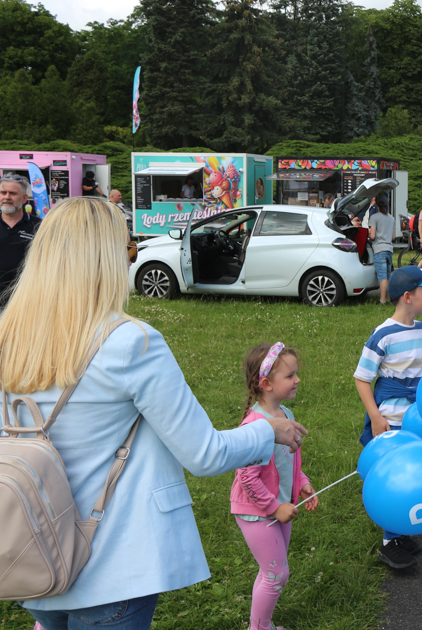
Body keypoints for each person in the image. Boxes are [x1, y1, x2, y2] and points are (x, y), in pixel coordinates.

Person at [1, 197, 306, 630]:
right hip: (111, 566)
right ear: (106, 260)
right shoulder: (131, 342)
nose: (132, 259)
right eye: (129, 249)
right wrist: (269, 431)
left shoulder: (9, 338)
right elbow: (204, 454)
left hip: (32, 557)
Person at [354, 265, 422, 569]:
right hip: (391, 418)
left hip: (418, 418)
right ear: (407, 296)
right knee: (395, 476)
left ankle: (400, 532)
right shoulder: (383, 335)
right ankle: (389, 542)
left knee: (413, 472)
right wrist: (376, 417)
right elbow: (362, 378)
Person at [231, 342, 318, 630]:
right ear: (266, 384)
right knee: (276, 574)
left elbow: (290, 461)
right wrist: (274, 507)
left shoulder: (286, 416)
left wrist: (302, 483)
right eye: (290, 375)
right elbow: (246, 476)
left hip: (281, 507)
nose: (298, 380)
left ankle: (260, 626)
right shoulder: (254, 426)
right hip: (256, 511)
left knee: (271, 570)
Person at [0, 175, 40, 307]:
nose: (6, 197)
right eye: (3, 193)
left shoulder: (40, 226)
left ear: (24, 199)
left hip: (26, 302)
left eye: (12, 193)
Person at [368, 194, 395, 304]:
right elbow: (393, 237)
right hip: (389, 249)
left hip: (379, 249)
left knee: (382, 276)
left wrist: (369, 235)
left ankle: (382, 300)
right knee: (388, 275)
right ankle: (388, 298)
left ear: (377, 205)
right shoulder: (392, 218)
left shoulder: (374, 217)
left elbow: (372, 236)